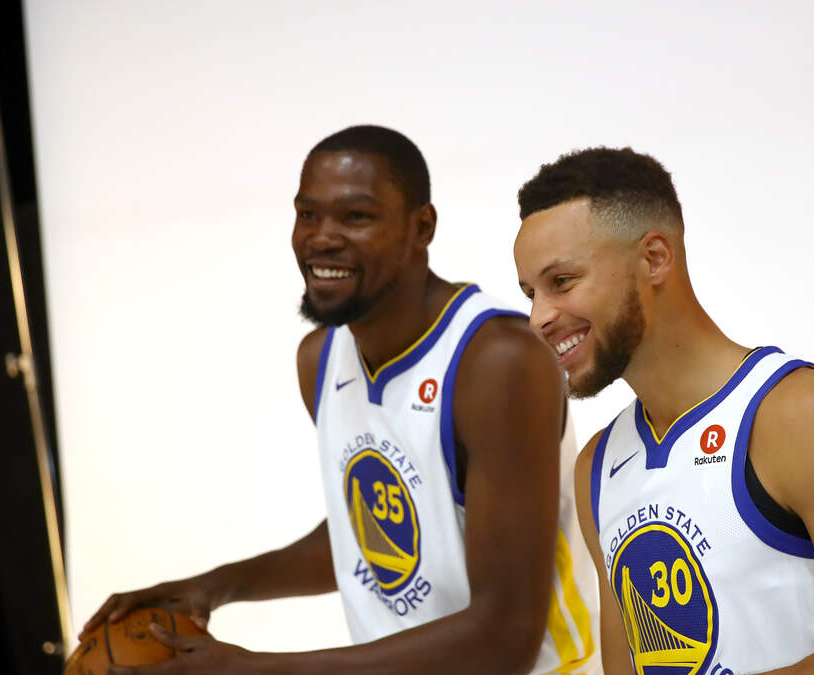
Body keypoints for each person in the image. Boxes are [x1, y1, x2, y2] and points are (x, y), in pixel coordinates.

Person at [82, 126, 600, 675]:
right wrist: (210, 588)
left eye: (355, 216)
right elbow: (369, 538)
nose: (321, 238)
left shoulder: (496, 361)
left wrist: (253, 669)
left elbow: (505, 638)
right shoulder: (321, 360)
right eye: (307, 214)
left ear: (421, 227)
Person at [513, 147, 814, 674]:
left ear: (655, 258)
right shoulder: (597, 467)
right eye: (530, 293)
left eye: (562, 282)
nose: (539, 317)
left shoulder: (799, 415)